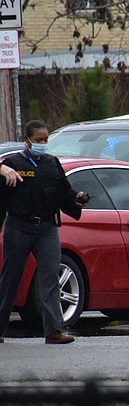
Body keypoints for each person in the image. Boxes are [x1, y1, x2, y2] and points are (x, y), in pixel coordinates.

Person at [0, 120, 89, 344]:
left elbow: (64, 192)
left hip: (47, 228)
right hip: (19, 227)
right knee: (11, 277)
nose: (42, 143)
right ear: (27, 140)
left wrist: (77, 198)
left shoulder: (52, 163)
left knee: (50, 276)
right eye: (38, 140)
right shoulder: (13, 163)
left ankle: (54, 330)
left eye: (45, 139)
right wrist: (2, 169)